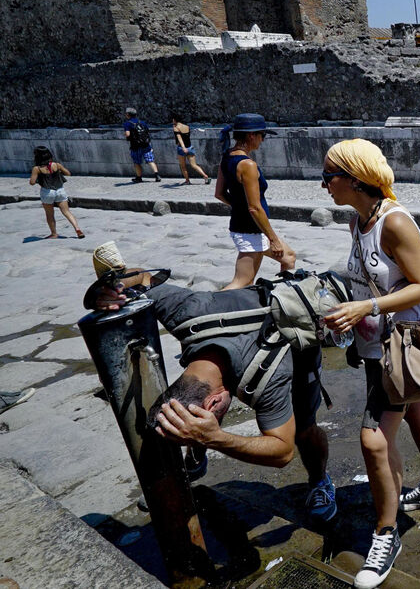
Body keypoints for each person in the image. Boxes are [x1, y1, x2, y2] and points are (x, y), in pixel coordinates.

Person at [89, 261, 338, 525]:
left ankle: (320, 481)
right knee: (195, 424)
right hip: (247, 325)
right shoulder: (186, 310)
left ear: (214, 401)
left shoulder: (267, 379)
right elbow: (143, 277)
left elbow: (282, 452)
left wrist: (215, 437)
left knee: (304, 429)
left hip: (296, 345)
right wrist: (108, 291)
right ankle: (195, 458)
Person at [320, 139, 420, 589]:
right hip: (375, 346)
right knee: (416, 411)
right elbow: (362, 281)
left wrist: (368, 308)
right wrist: (347, 313)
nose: (323, 186)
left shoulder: (393, 224)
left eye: (329, 177)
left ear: (356, 180)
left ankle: (385, 533)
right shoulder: (359, 220)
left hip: (399, 349)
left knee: (373, 443)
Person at [214, 113, 295, 290]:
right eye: (262, 135)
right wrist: (273, 239)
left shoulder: (226, 157)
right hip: (250, 231)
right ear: (251, 136)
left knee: (288, 257)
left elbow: (219, 194)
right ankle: (211, 308)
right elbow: (255, 207)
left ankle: (283, 297)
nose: (262, 140)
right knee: (242, 282)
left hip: (249, 227)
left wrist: (240, 207)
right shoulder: (247, 164)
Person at [28, 146, 84, 239]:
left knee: (50, 214)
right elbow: (68, 173)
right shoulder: (56, 165)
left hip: (47, 192)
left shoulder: (36, 168)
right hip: (60, 190)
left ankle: (54, 234)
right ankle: (78, 230)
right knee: (67, 212)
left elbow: (32, 182)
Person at [123, 107, 160, 183]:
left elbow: (127, 134)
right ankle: (157, 175)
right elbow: (147, 133)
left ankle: (139, 177)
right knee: (150, 160)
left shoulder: (127, 123)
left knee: (137, 162)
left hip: (135, 146)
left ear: (128, 115)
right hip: (145, 144)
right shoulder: (142, 122)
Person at [171, 113, 211, 185]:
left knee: (183, 166)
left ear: (174, 120)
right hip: (190, 147)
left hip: (182, 148)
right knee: (194, 165)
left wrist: (183, 147)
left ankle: (187, 181)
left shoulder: (176, 128)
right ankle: (205, 176)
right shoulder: (187, 126)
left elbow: (179, 138)